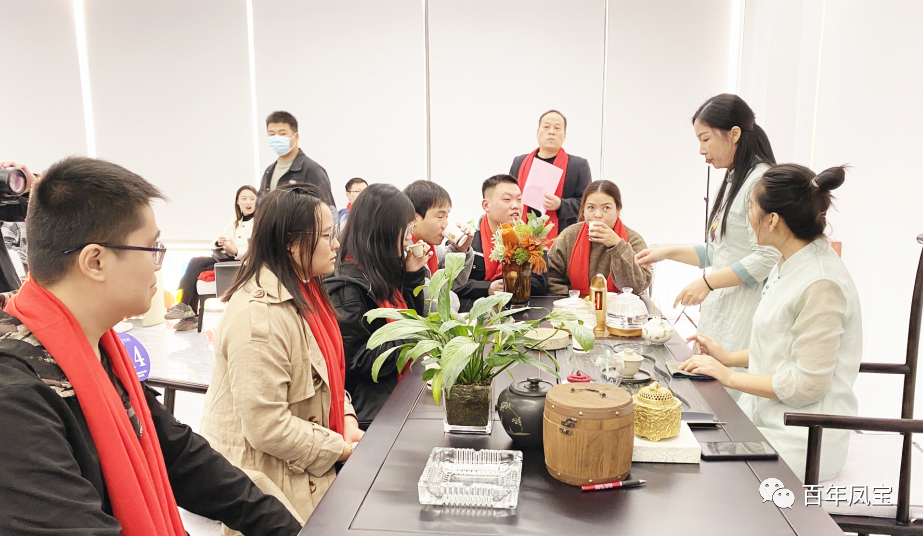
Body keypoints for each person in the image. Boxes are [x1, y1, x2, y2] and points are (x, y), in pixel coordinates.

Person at [0, 156, 301, 535]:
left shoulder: (94, 350)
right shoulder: (15, 397)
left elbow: (181, 455)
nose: (158, 263)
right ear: (95, 261)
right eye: (151, 247)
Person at [679, 164, 860, 482]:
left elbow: (807, 385)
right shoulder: (790, 261)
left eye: (750, 208)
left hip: (802, 439)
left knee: (696, 472)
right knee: (686, 440)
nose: (748, 217)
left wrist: (728, 376)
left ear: (772, 219)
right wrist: (728, 358)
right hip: (767, 419)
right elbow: (784, 348)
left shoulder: (821, 282)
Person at [200, 184, 363, 531]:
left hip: (306, 463)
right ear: (291, 242)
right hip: (275, 481)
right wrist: (339, 448)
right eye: (326, 236)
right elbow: (267, 427)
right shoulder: (258, 317)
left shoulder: (307, 289)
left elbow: (325, 376)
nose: (336, 244)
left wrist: (347, 418)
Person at [635, 94, 781, 396]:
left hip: (745, 310)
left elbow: (766, 257)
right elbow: (717, 251)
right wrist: (666, 253)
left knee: (731, 395)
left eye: (705, 139)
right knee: (710, 390)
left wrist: (707, 282)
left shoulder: (760, 182)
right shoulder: (733, 179)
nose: (701, 150)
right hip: (723, 308)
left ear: (734, 134)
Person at [327, 184, 430, 429]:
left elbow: (413, 315)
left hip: (399, 394)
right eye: (406, 230)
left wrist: (412, 276)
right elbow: (358, 362)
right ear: (384, 231)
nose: (409, 238)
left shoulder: (380, 271)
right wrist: (411, 332)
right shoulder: (346, 286)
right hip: (372, 414)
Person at [165, 185, 257, 330]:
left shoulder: (260, 222)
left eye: (252, 199)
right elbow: (220, 237)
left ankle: (189, 316)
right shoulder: (235, 220)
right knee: (195, 262)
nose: (248, 202)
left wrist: (236, 250)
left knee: (196, 267)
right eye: (244, 199)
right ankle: (185, 308)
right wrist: (219, 241)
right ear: (237, 201)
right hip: (226, 258)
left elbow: (257, 250)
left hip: (241, 263)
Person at [546, 180, 651, 296]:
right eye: (591, 207)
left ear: (618, 210)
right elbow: (550, 278)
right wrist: (575, 299)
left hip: (620, 306)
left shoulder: (634, 240)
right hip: (574, 305)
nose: (597, 215)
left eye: (606, 208)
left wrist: (617, 246)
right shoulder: (569, 236)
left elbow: (635, 287)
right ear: (583, 210)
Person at [456, 174, 548, 300]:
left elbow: (540, 282)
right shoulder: (466, 235)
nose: (515, 205)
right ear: (486, 205)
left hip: (519, 306)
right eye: (507, 199)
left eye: (519, 199)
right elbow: (453, 283)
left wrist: (508, 285)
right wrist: (487, 288)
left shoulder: (531, 238)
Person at [510, 110, 592, 240]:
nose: (551, 132)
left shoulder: (578, 165)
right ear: (538, 133)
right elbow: (509, 196)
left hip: (561, 236)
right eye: (546, 127)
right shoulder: (519, 162)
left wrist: (561, 204)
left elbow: (587, 204)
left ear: (564, 135)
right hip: (521, 234)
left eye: (557, 128)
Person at [402, 180, 474, 292]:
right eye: (440, 216)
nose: (445, 224)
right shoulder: (403, 253)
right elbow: (429, 297)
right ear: (413, 219)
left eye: (447, 216)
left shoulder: (435, 249)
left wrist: (461, 250)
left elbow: (453, 283)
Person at [258, 111, 335, 207]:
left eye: (282, 133)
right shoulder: (269, 171)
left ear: (296, 136)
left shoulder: (311, 169)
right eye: (272, 134)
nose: (276, 138)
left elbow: (327, 208)